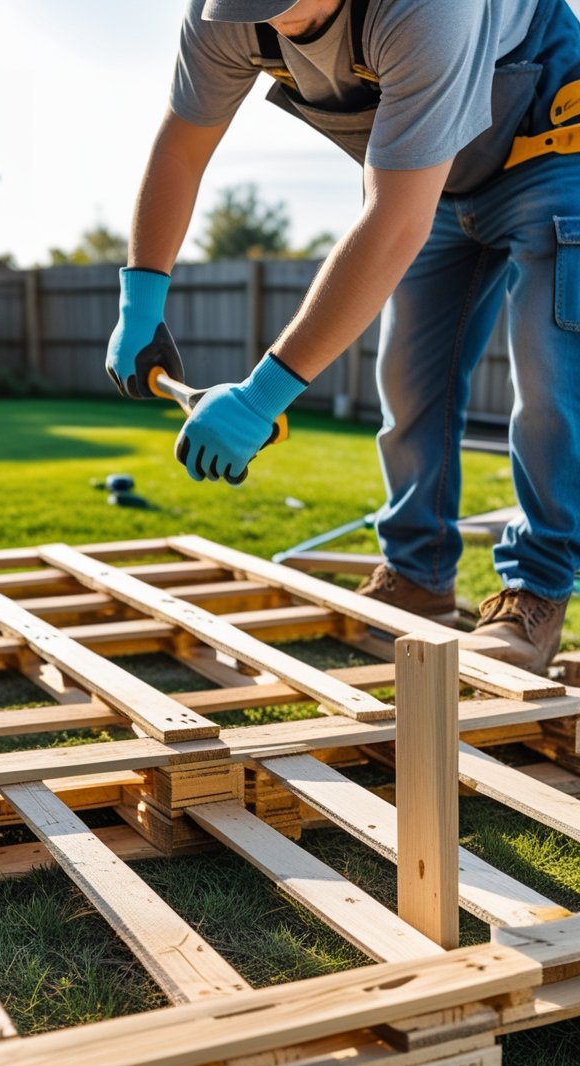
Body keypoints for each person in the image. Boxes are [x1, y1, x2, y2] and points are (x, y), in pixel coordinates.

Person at [106, 0, 580, 674]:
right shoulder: (227, 16)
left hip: (554, 149)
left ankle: (536, 589)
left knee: (549, 381)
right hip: (435, 182)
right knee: (409, 381)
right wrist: (141, 299)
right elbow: (182, 146)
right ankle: (418, 577)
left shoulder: (427, 9)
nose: (276, 23)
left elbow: (390, 223)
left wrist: (259, 397)